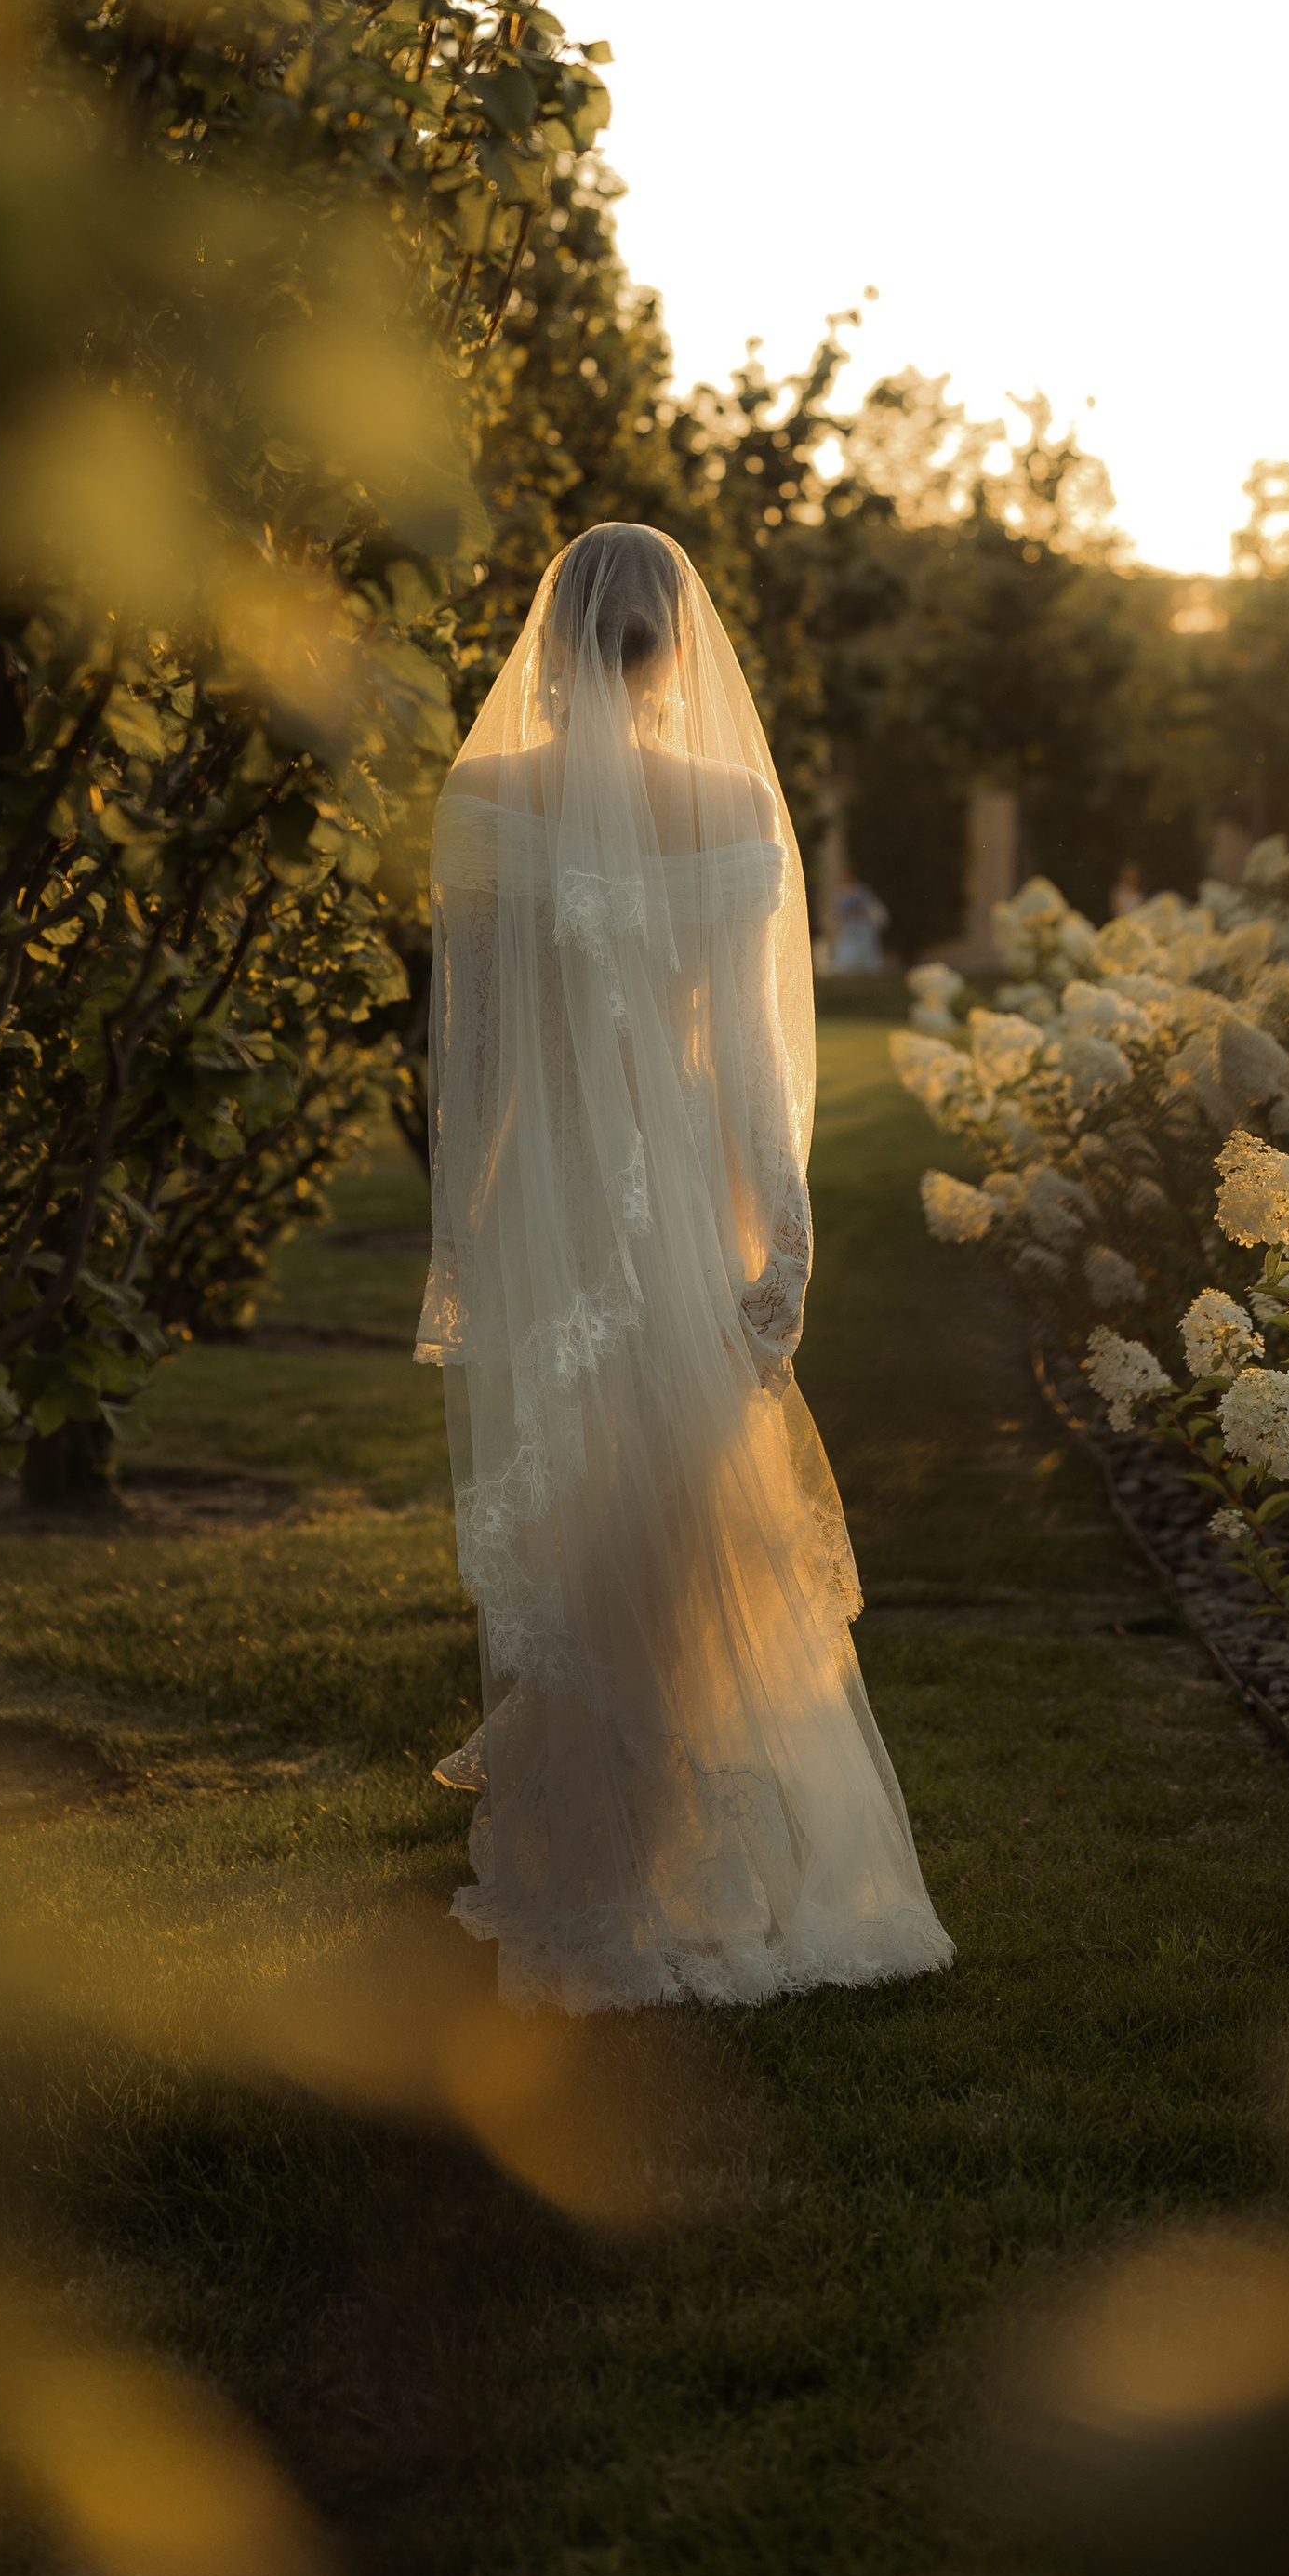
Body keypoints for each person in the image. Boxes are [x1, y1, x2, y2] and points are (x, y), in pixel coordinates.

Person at [415, 524, 954, 2013]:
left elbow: (482, 1070)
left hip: (561, 1215)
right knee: (683, 1525)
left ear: (554, 639)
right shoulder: (728, 807)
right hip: (695, 1213)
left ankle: (609, 1865)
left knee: (605, 1526)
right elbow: (750, 1064)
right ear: (677, 649)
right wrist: (781, 1238)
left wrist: (473, 1241)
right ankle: (659, 1849)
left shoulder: (491, 802)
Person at [830, 873, 891, 974]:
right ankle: (848, 967)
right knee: (848, 946)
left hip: (864, 925)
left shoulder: (861, 892)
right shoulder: (842, 895)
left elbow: (869, 906)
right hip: (850, 926)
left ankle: (869, 968)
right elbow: (840, 911)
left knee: (866, 947)